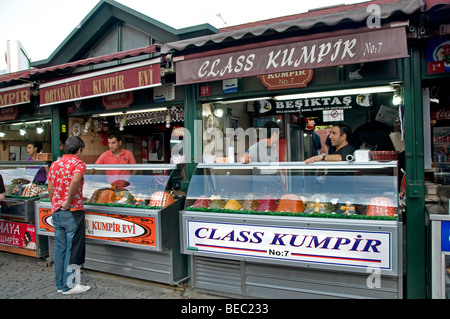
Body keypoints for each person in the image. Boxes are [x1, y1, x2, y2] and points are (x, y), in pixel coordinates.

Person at [47, 136, 90, 295]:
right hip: (72, 211)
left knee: (60, 249)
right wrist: (68, 201)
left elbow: (50, 187)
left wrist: (56, 202)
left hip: (56, 211)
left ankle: (59, 284)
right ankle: (70, 286)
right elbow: (75, 181)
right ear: (79, 149)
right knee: (73, 249)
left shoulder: (55, 164)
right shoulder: (78, 164)